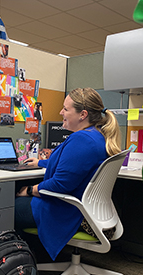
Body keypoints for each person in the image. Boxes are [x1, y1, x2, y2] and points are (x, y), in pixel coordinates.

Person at [15, 88, 121, 261]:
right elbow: (74, 165)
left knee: (12, 207)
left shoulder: (82, 140)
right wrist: (41, 163)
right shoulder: (96, 136)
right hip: (82, 209)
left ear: (83, 114)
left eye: (66, 108)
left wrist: (29, 189)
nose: (60, 112)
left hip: (66, 212)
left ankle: (25, 264)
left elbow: (60, 184)